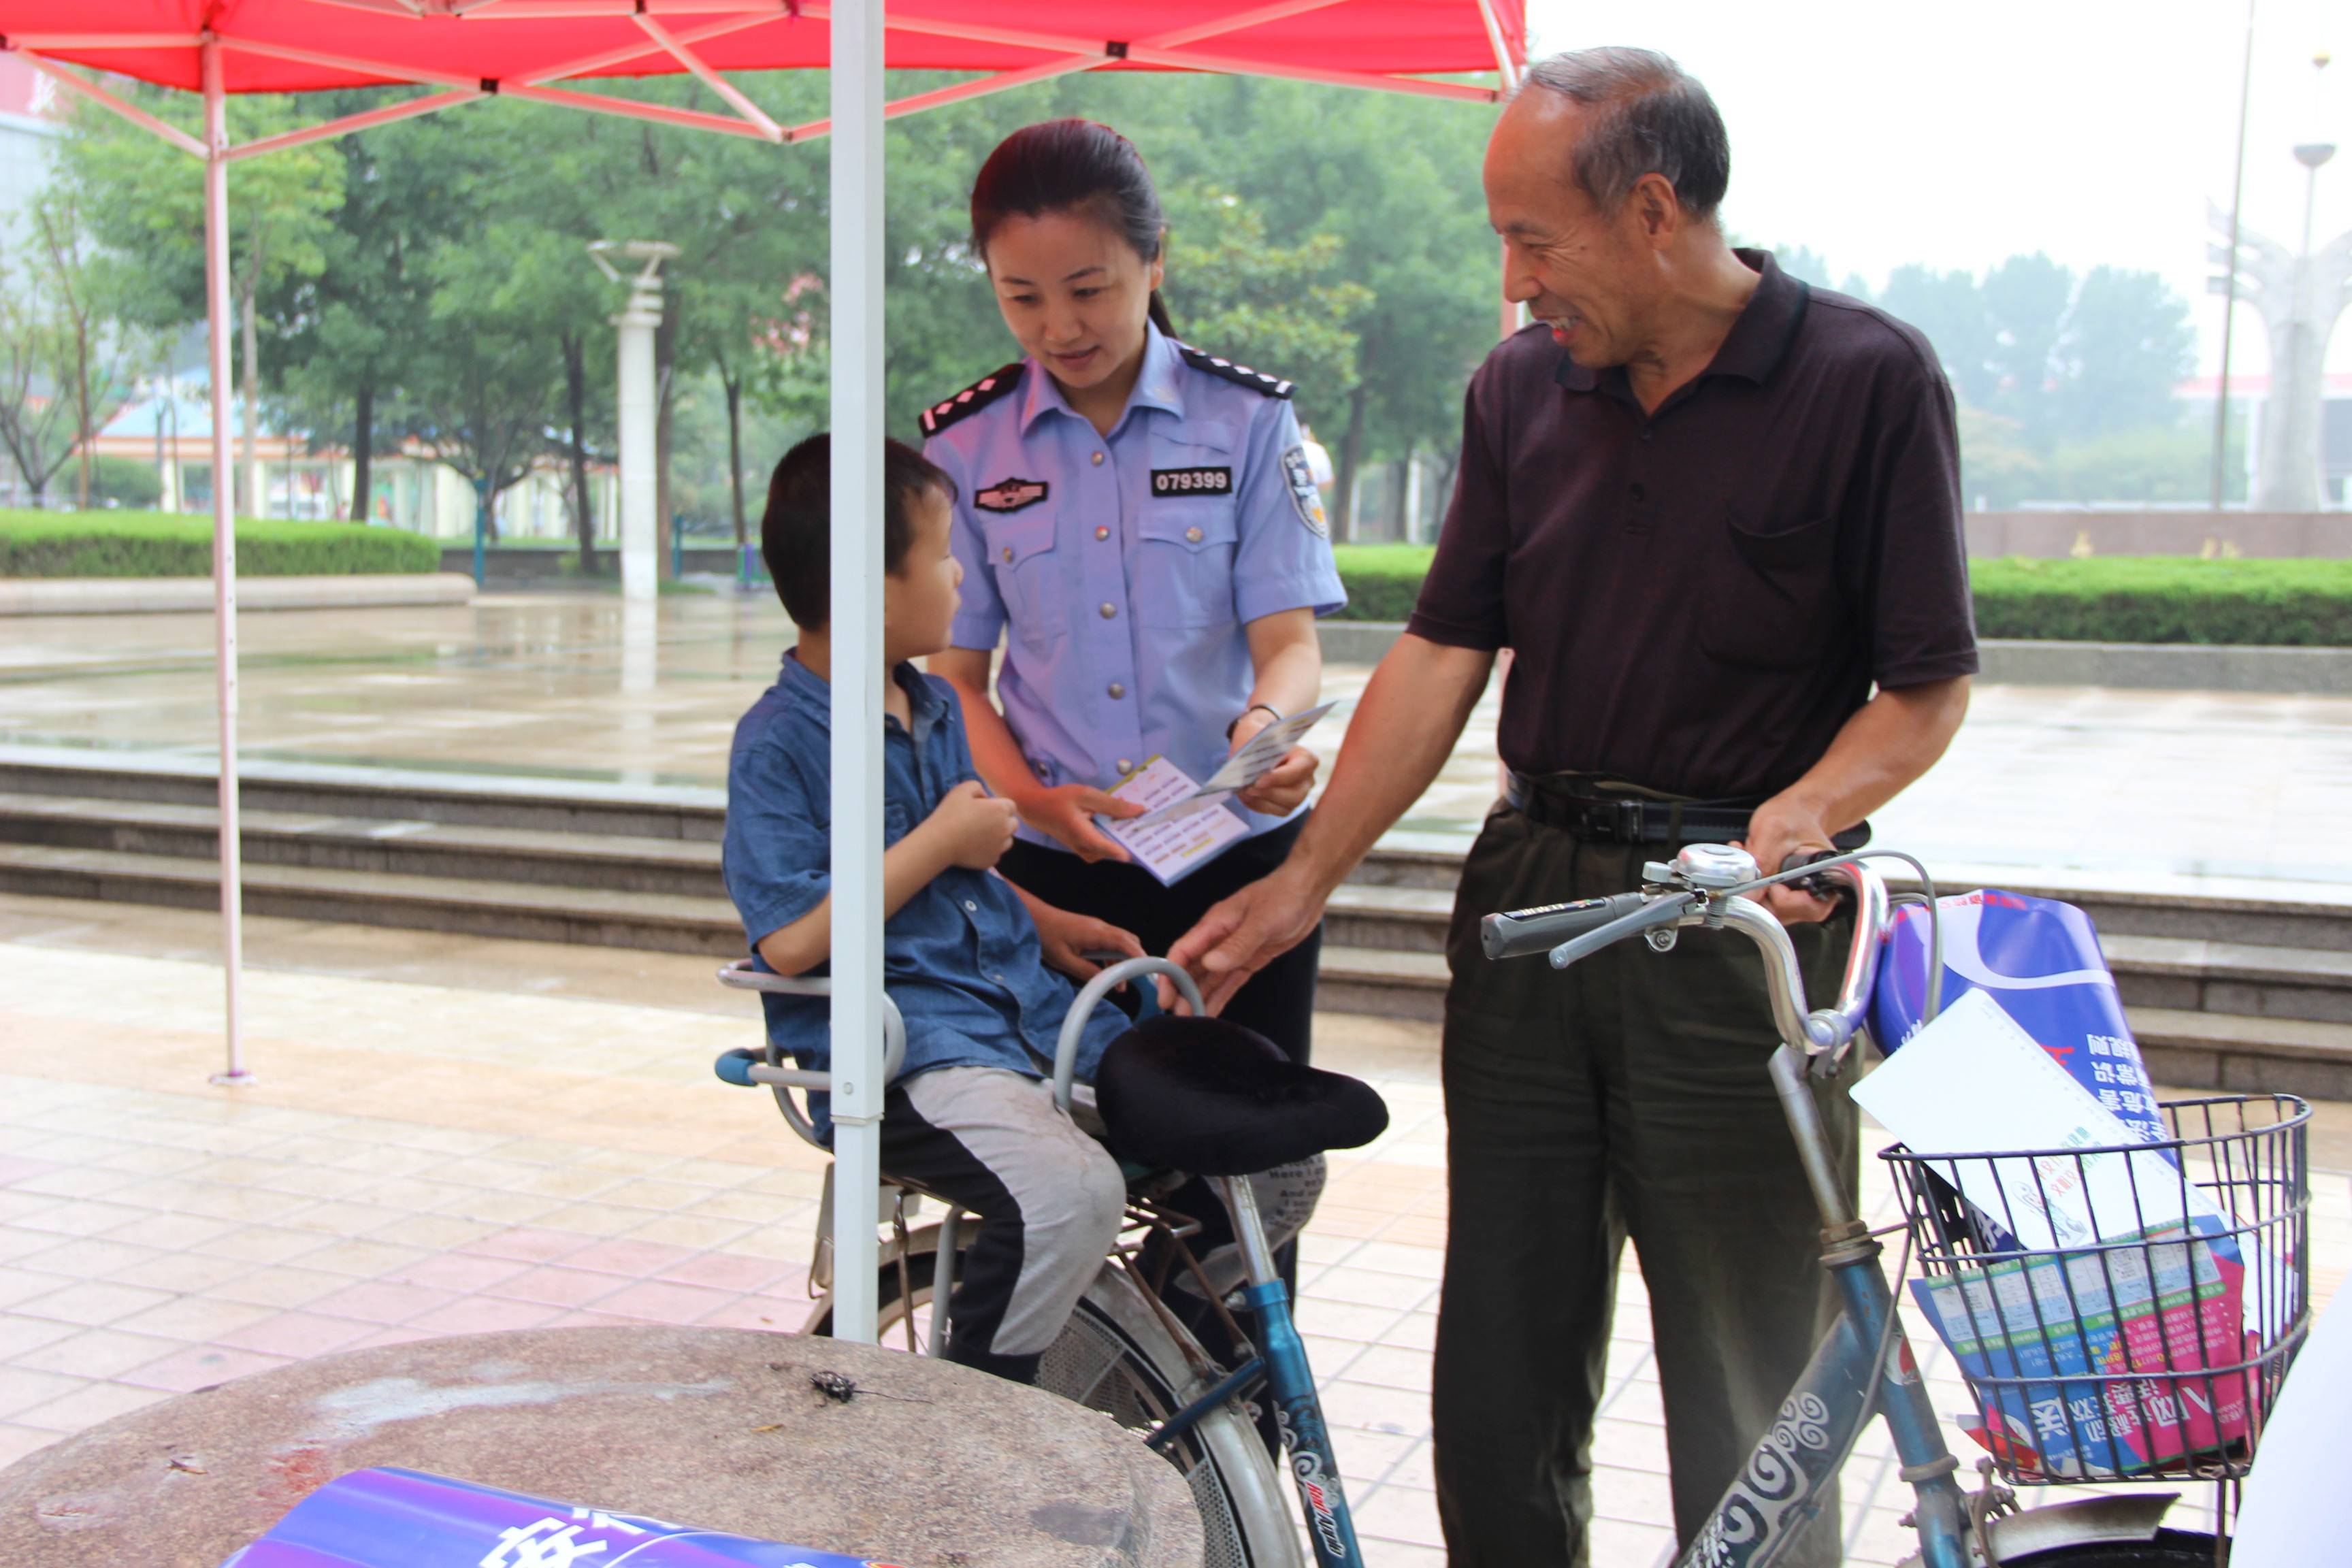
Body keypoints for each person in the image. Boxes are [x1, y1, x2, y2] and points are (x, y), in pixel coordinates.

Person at [1165, 48, 1978, 1568]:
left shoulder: (1863, 380)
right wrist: (1305, 879)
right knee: (1499, 1372)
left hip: (1738, 928)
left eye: (1535, 238)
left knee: (1751, 1374)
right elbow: (1442, 650)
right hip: (1536, 905)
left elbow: (1925, 688)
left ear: (1655, 209)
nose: (1514, 276)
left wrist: (1793, 818)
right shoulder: (1522, 390)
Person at [921, 118, 1346, 1072]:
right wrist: (1033, 798)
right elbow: (955, 677)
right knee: (1071, 1154)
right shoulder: (965, 448)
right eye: (1020, 298)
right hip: (1053, 872)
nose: (1058, 328)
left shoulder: (1246, 420)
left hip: (1234, 856)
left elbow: (1289, 640)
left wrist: (1264, 734)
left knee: (1244, 1162)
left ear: (1154, 262)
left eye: (1088, 290)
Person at [722, 433, 1141, 1386]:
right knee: (1070, 1195)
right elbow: (789, 940)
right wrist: (938, 844)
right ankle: (976, 1430)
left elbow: (958, 878)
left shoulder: (936, 706)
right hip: (914, 1054)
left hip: (1026, 1015)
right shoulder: (778, 742)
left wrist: (1041, 920)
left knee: (1253, 1144)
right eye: (946, 551)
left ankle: (1149, 1379)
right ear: (871, 588)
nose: (961, 574)